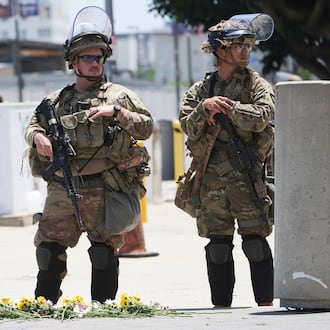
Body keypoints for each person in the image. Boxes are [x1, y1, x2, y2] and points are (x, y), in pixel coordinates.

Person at [24, 6, 153, 304]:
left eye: (99, 57)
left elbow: (146, 126)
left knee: (103, 251)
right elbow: (32, 125)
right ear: (73, 61)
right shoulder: (56, 101)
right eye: (87, 57)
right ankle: (44, 305)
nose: (95, 63)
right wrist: (39, 136)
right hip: (62, 186)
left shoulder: (118, 95)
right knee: (48, 250)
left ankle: (102, 309)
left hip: (105, 183)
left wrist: (117, 113)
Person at [179, 13, 275, 307]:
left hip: (247, 178)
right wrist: (204, 108)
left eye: (248, 45)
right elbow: (186, 124)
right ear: (221, 51)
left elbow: (263, 117)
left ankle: (265, 306)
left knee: (256, 244)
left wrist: (231, 108)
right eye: (238, 45)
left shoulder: (255, 85)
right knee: (218, 247)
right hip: (211, 182)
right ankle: (221, 310)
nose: (246, 51)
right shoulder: (201, 90)